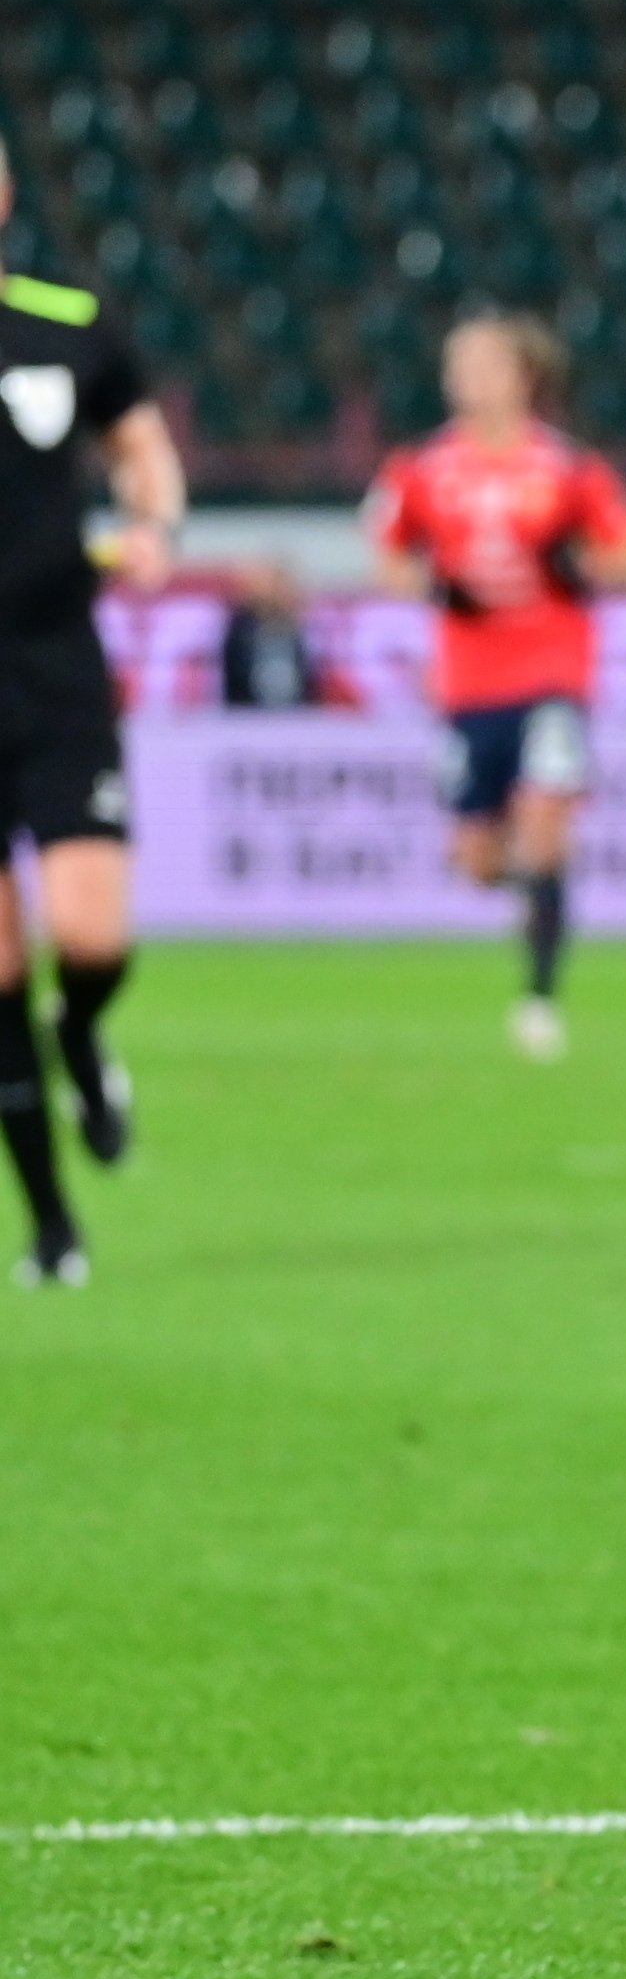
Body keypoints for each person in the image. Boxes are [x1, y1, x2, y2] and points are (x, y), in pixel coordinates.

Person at [0, 146, 185, 1282]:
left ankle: (82, 1032)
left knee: (92, 936)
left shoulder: (64, 323)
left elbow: (141, 448)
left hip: (55, 671)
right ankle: (52, 1225)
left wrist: (153, 522)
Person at [364, 313, 626, 1060]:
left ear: (522, 377)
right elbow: (388, 558)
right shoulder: (422, 468)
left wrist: (572, 567)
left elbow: (624, 555)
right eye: (458, 366)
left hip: (552, 674)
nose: (466, 379)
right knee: (477, 860)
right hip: (469, 683)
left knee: (545, 819)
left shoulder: (567, 468)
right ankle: (539, 895)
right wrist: (437, 586)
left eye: (483, 364)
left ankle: (539, 1000)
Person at [216, 558, 326, 711]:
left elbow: (309, 676)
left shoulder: (298, 628)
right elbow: (233, 675)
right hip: (248, 713)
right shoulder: (241, 628)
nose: (278, 592)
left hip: (295, 713)